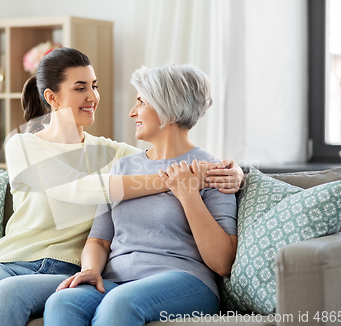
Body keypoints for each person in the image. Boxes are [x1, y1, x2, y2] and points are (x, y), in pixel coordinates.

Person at [0, 48, 242, 326]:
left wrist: (235, 172)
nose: (92, 96)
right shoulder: (23, 145)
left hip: (69, 266)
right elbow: (81, 189)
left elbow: (164, 155)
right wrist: (178, 180)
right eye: (80, 88)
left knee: (8, 297)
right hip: (14, 260)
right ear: (52, 97)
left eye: (94, 86)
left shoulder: (113, 153)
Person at [44, 64, 238, 326]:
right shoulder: (123, 167)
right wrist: (90, 270)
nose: (132, 112)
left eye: (141, 102)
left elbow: (222, 262)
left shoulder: (212, 171)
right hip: (116, 281)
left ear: (167, 108)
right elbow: (99, 241)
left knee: (121, 302)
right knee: (62, 301)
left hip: (184, 280)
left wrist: (188, 194)